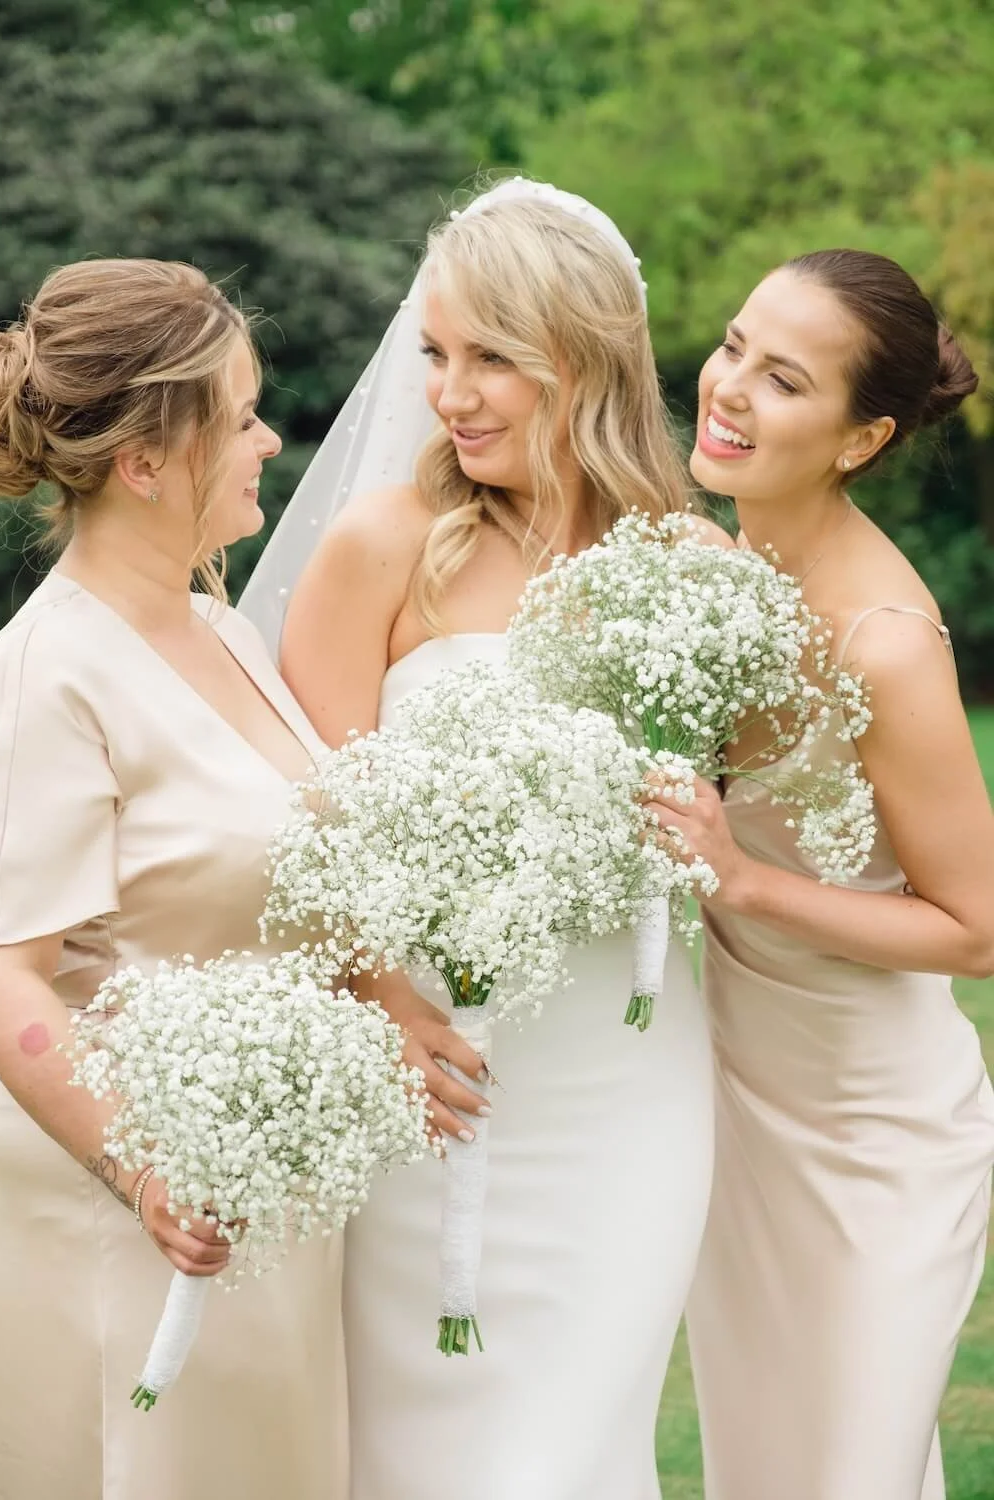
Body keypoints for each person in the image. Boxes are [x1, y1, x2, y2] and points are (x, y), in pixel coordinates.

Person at [241, 178, 716, 1500]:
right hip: (431, 1073)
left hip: (628, 1078)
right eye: (436, 354)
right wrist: (388, 1004)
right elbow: (303, 830)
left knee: (575, 1449)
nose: (451, 394)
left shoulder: (687, 565)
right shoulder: (383, 548)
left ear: (584, 356)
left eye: (491, 358)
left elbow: (731, 820)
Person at [0, 260, 346, 1500]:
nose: (268, 440)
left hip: (269, 1201)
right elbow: (8, 979)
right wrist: (146, 1173)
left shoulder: (221, 628)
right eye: (240, 417)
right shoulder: (47, 674)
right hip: (129, 1218)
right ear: (145, 462)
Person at [659, 248, 994, 1500]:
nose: (729, 387)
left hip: (874, 1134)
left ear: (862, 439)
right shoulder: (705, 574)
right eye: (733, 345)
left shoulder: (884, 645)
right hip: (735, 1106)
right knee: (762, 1467)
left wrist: (741, 882)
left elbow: (976, 929)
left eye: (783, 379)